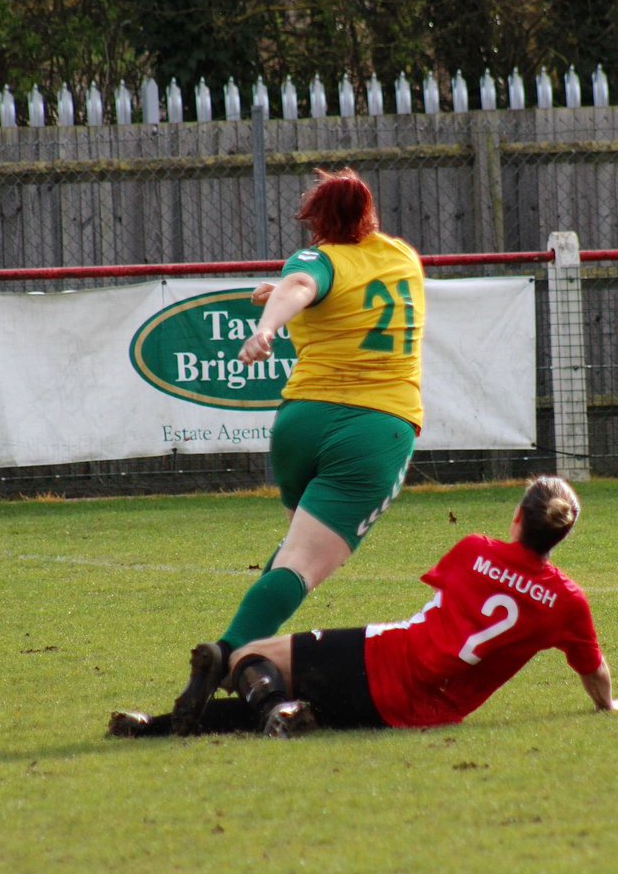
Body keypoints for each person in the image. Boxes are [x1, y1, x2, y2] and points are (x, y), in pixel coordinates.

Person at [171, 167, 427, 735]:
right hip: (374, 428)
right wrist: (274, 315)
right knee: (301, 565)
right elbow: (322, 290)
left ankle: (254, 666)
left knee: (294, 551)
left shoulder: (314, 260)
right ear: (370, 214)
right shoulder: (404, 258)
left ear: (316, 221)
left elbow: (304, 286)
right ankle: (230, 654)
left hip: (300, 422)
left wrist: (268, 323)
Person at [112, 477, 618, 739]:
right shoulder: (567, 602)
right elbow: (594, 670)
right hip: (418, 712)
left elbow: (460, 590)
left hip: (384, 658)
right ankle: (170, 727)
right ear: (560, 535)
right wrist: (606, 706)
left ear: (518, 518)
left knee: (249, 657)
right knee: (287, 709)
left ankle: (253, 709)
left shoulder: (475, 550)